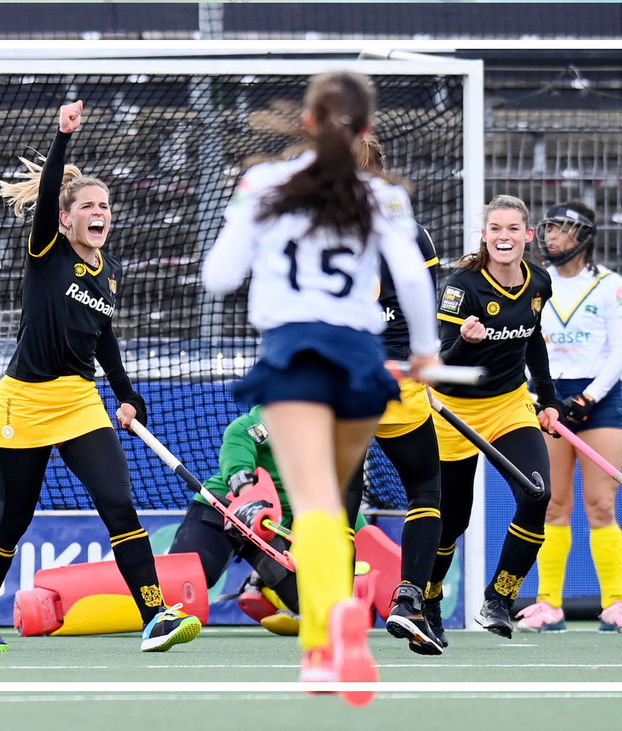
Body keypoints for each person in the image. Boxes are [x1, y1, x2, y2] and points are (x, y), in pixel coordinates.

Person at [203, 70, 440, 706]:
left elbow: (220, 277)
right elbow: (415, 283)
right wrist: (424, 352)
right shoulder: (382, 195)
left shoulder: (265, 184)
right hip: (362, 358)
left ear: (306, 122)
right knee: (336, 501)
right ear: (365, 130)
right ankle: (343, 625)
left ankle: (323, 641)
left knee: (313, 506)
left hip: (294, 353)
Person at [0, 100, 201, 653]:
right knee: (13, 519)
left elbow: (103, 333)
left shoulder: (110, 270)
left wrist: (125, 391)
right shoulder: (47, 249)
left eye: (106, 206)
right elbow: (47, 197)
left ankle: (155, 616)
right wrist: (62, 140)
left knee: (119, 503)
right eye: (88, 206)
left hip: (79, 400)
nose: (100, 213)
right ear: (67, 218)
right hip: (23, 400)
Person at [428, 194, 561, 643]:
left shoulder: (539, 281)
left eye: (512, 229)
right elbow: (443, 365)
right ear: (485, 237)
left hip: (508, 405)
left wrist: (549, 399)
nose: (504, 237)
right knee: (451, 520)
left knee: (536, 494)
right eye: (495, 229)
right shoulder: (462, 287)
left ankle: (499, 599)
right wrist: (466, 340)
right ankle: (428, 600)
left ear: (528, 235)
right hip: (454, 413)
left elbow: (534, 341)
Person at [350, 134, 448, 656]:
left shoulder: (316, 233)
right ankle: (409, 600)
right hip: (398, 379)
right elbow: (421, 311)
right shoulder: (413, 235)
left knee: (339, 500)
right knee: (426, 492)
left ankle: (333, 606)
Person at [521, 201, 622, 634]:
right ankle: (548, 604)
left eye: (561, 229)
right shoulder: (534, 283)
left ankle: (615, 604)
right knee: (553, 503)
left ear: (583, 236)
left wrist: (587, 398)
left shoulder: (612, 287)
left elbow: (620, 353)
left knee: (601, 502)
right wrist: (545, 394)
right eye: (548, 228)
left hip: (598, 399)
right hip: (549, 394)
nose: (551, 236)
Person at [167, 405, 300, 633]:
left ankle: (259, 582)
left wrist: (364, 536)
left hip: (269, 527)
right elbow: (238, 466)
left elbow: (340, 497)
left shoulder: (327, 435)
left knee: (306, 602)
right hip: (222, 511)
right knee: (186, 581)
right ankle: (138, 588)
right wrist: (249, 497)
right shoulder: (253, 425)